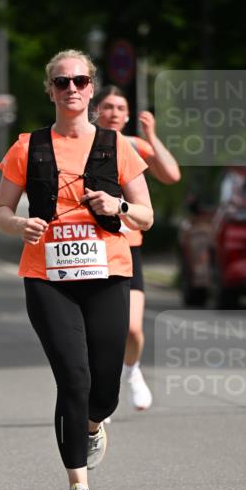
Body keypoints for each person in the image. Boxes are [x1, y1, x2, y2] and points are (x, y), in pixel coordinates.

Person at [0, 50, 153, 490]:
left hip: (108, 274)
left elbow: (146, 215)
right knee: (72, 376)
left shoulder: (118, 145)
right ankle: (77, 488)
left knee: (103, 388)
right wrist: (18, 225)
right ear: (50, 90)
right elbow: (0, 211)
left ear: (91, 87)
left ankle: (92, 423)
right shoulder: (28, 146)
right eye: (61, 82)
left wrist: (118, 206)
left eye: (79, 80)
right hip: (48, 277)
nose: (71, 89)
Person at [93, 85, 181, 411]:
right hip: (93, 247)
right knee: (98, 330)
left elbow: (171, 175)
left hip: (128, 247)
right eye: (107, 107)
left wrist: (152, 135)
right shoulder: (81, 145)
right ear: (95, 110)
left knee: (131, 328)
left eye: (120, 107)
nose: (114, 112)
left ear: (127, 114)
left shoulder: (134, 145)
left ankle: (131, 372)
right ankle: (98, 394)